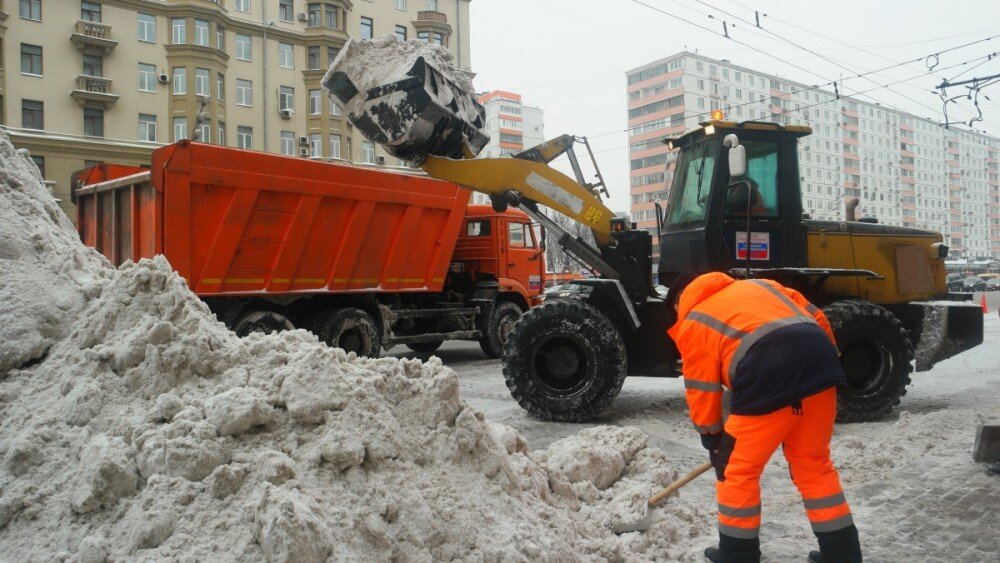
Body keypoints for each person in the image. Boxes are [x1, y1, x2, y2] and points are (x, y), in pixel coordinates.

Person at [666, 272, 862, 563]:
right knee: (813, 465)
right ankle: (842, 555)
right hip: (820, 366)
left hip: (767, 370)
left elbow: (702, 388)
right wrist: (821, 368)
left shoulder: (695, 319)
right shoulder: (762, 286)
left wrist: (712, 439)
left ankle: (737, 556)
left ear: (681, 300)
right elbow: (818, 317)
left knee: (736, 470)